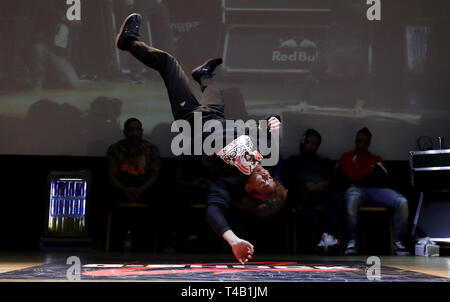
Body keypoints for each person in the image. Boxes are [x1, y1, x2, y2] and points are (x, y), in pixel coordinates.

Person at [115, 13, 287, 264]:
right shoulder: (258, 160)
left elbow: (213, 212)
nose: (264, 175)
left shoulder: (227, 183)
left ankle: (128, 43)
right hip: (214, 114)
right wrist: (274, 124)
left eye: (262, 183)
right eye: (269, 178)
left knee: (168, 63)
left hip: (192, 119)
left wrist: (234, 240)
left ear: (249, 189)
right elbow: (270, 134)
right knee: (214, 90)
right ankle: (203, 75)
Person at [339, 127, 409, 255]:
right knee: (351, 201)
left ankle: (398, 241)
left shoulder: (376, 158)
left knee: (402, 201)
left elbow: (383, 176)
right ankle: (352, 241)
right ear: (355, 141)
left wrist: (366, 173)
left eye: (365, 142)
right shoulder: (347, 157)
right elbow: (351, 175)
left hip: (377, 189)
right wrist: (370, 171)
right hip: (356, 188)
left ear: (369, 143)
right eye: (360, 141)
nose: (362, 144)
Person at [286, 129, 344, 254]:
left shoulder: (323, 161)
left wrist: (324, 184)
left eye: (315, 143)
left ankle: (330, 236)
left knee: (337, 199)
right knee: (304, 199)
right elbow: (291, 179)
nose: (311, 146)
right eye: (309, 143)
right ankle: (322, 235)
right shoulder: (294, 160)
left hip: (323, 190)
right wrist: (306, 184)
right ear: (304, 142)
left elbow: (333, 179)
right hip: (304, 191)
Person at [107, 117, 161, 204]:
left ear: (142, 131)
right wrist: (125, 190)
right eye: (131, 130)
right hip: (121, 190)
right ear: (125, 132)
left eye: (138, 130)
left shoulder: (151, 149)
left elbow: (154, 176)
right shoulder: (116, 149)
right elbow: (111, 175)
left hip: (145, 190)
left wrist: (140, 190)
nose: (135, 133)